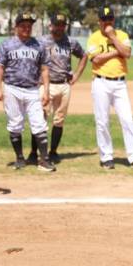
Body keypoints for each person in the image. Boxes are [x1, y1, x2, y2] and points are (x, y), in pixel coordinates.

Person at [0, 12, 55, 172]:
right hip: (12, 88)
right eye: (23, 25)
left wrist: (46, 90)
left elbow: (44, 69)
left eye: (29, 25)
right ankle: (20, 159)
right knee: (15, 124)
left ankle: (44, 160)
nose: (27, 28)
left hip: (33, 89)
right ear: (16, 26)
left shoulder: (39, 45)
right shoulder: (6, 45)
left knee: (39, 124)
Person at [24, 13, 88, 164]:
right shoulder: (41, 41)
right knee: (39, 119)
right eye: (56, 24)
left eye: (62, 25)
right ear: (50, 25)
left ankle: (53, 152)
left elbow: (84, 56)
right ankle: (34, 152)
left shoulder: (70, 42)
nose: (59, 27)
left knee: (59, 120)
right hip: (45, 85)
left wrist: (77, 75)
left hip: (64, 85)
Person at [86, 6, 133, 170]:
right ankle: (106, 157)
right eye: (104, 19)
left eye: (109, 19)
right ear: (99, 22)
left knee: (127, 119)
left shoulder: (122, 35)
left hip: (119, 83)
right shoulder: (94, 38)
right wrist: (116, 52)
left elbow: (127, 53)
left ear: (113, 20)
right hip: (100, 82)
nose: (107, 22)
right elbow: (96, 60)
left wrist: (113, 37)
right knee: (102, 121)